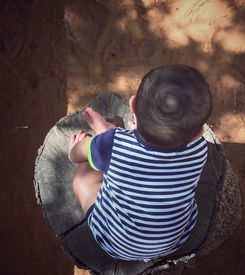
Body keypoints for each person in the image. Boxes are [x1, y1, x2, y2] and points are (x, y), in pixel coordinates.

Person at [68, 64, 212, 261]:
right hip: (174, 240)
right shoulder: (200, 149)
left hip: (115, 242)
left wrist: (79, 147)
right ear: (198, 133)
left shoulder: (114, 144)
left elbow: (76, 156)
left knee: (81, 181)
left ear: (133, 105)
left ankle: (107, 144)